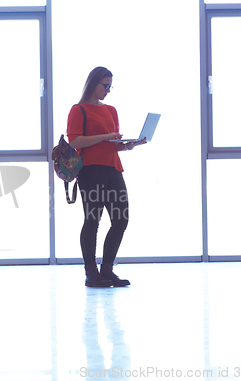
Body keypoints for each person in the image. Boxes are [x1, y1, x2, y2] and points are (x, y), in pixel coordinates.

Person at [67, 67, 146, 288]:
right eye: (105, 86)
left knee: (121, 220)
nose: (108, 90)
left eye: (111, 86)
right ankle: (91, 273)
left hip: (113, 169)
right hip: (91, 172)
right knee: (92, 221)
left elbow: (111, 145)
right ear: (93, 83)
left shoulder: (111, 110)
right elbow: (74, 142)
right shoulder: (78, 109)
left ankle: (107, 270)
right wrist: (106, 136)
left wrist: (129, 145)